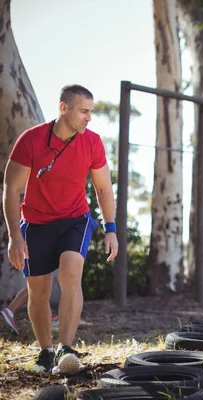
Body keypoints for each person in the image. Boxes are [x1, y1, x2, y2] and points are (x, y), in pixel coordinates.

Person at [3, 84, 118, 375]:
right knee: (38, 291)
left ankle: (66, 350)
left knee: (70, 273)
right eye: (83, 111)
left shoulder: (92, 142)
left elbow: (103, 188)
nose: (88, 118)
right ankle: (45, 352)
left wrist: (111, 229)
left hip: (75, 219)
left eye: (91, 112)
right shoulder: (31, 140)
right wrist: (15, 237)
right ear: (63, 108)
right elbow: (12, 188)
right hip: (36, 223)